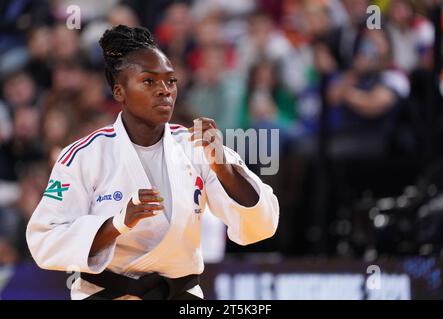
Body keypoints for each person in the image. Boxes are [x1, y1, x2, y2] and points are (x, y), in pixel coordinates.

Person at [25, 25, 279, 300]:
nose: (164, 91)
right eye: (149, 81)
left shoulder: (196, 147)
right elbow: (45, 242)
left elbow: (263, 225)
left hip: (180, 295)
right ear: (119, 91)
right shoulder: (84, 156)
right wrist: (118, 224)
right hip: (106, 294)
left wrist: (224, 169)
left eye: (171, 81)